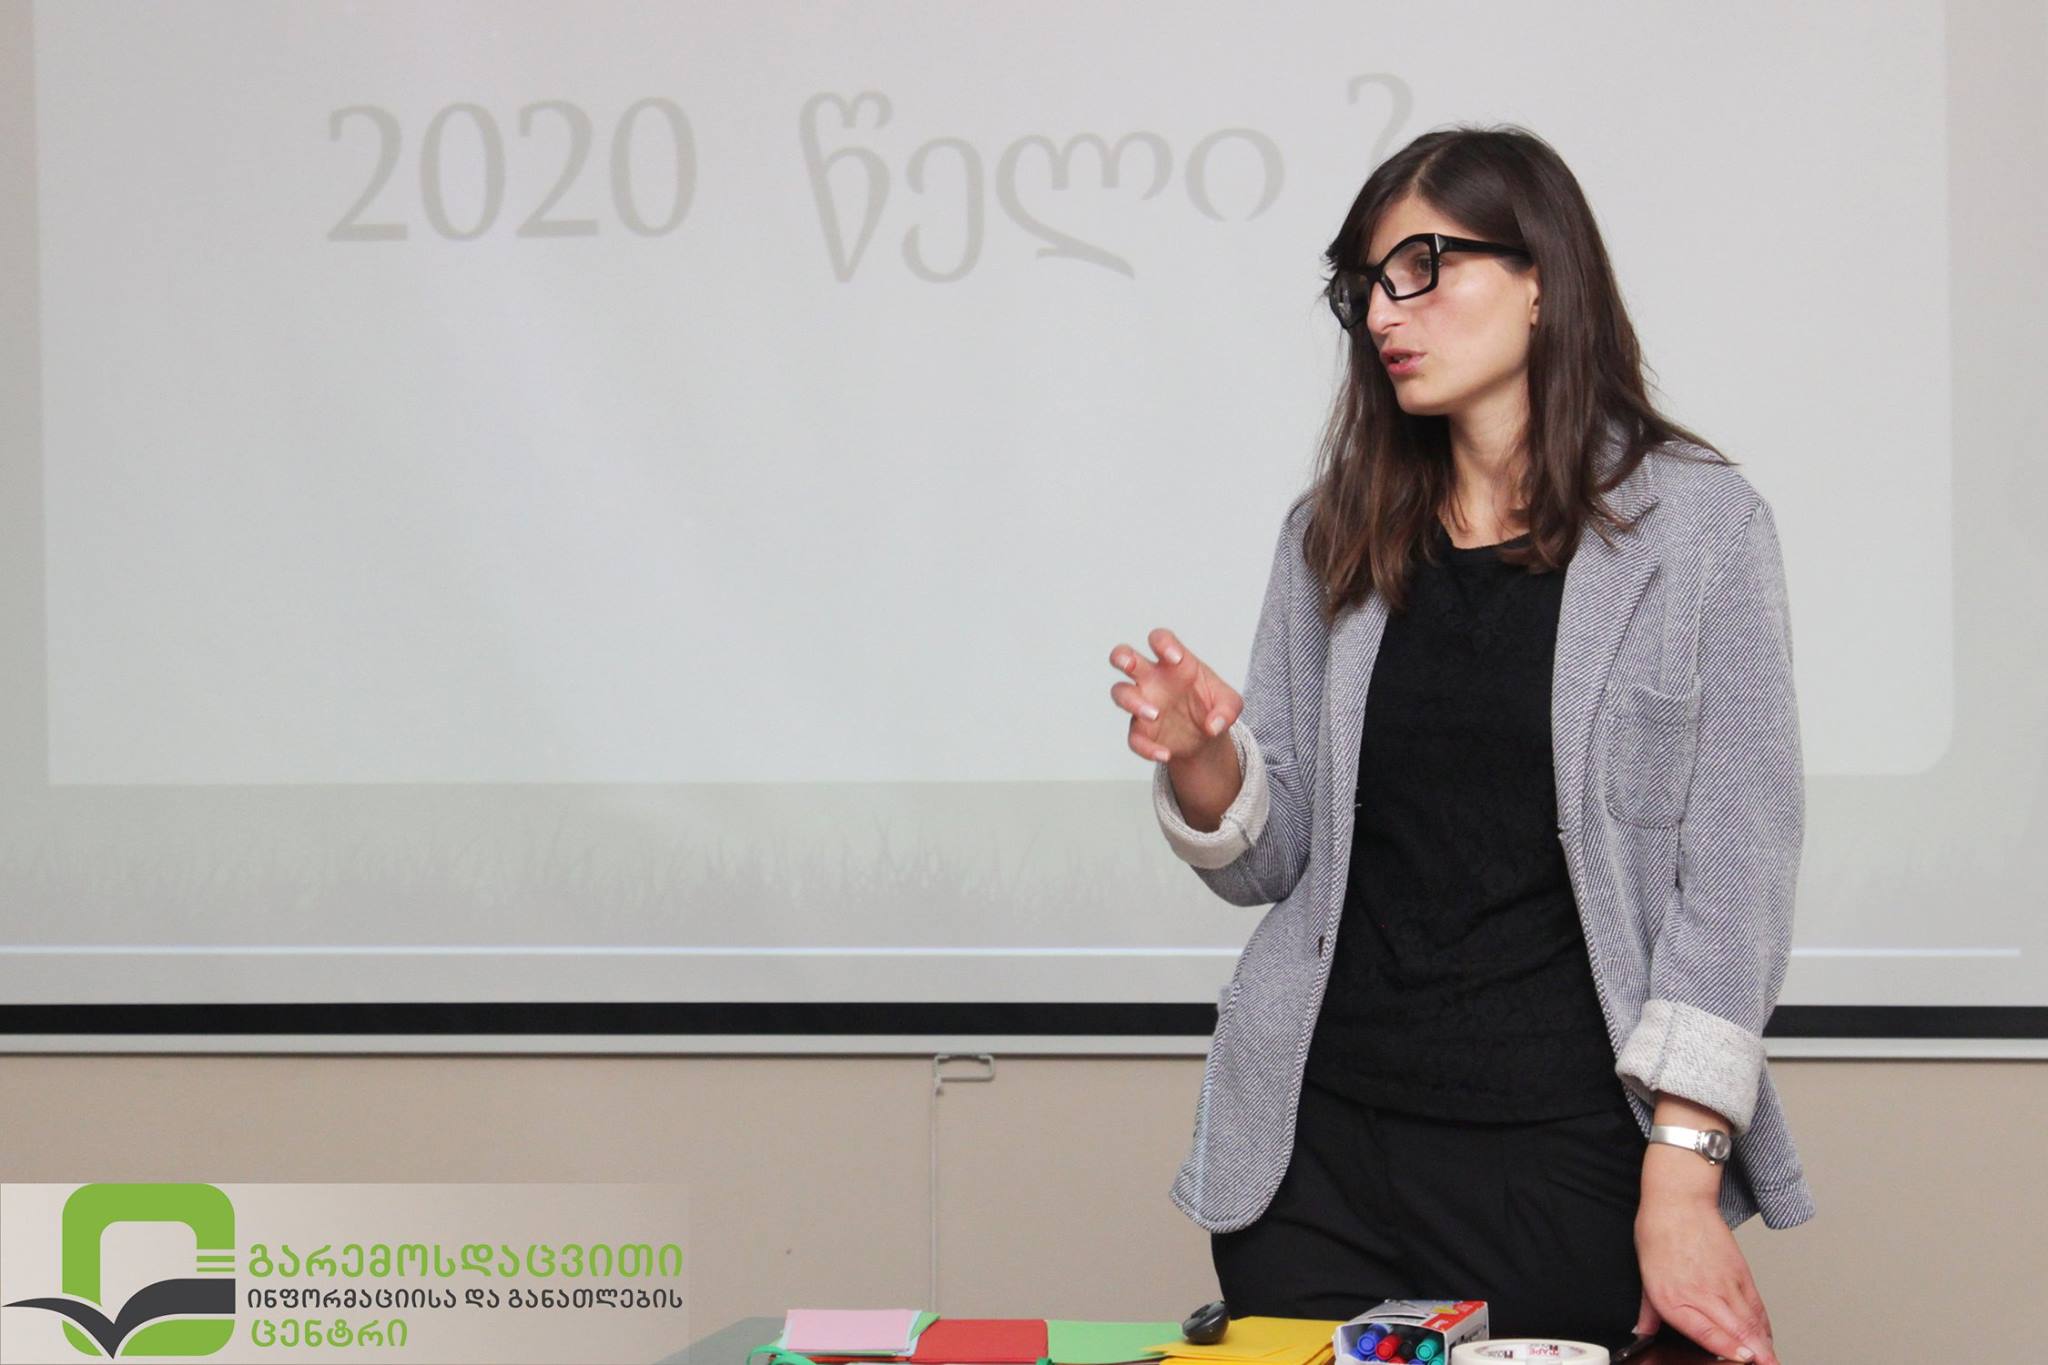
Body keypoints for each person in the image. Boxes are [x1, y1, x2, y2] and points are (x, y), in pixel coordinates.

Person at [1106, 126, 1811, 1364]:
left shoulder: (1700, 532)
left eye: (1422, 267)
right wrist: (1201, 761)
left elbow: (1734, 889)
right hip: (1317, 1171)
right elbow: (1273, 858)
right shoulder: (1331, 532)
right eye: (1365, 286)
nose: (1384, 311)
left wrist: (1680, 1184)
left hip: (1566, 1169)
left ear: (1541, 278)